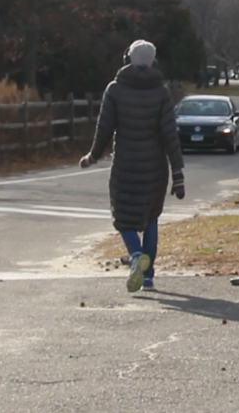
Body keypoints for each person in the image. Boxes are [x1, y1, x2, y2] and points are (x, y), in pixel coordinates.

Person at [80, 40, 185, 293]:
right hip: (155, 168)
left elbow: (104, 129)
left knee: (123, 216)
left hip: (125, 164)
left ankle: (135, 255)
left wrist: (93, 156)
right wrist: (178, 174)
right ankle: (147, 277)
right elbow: (170, 135)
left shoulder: (115, 90)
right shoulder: (161, 92)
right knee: (150, 218)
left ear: (127, 59)